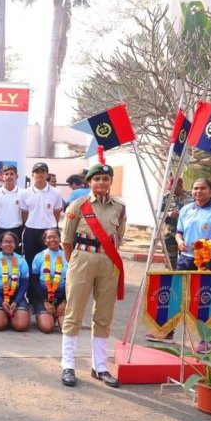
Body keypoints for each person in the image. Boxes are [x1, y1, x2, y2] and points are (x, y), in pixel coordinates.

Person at [61, 157, 126, 387]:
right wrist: (75, 263)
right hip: (82, 259)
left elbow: (119, 237)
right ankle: (68, 365)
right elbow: (66, 240)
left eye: (105, 178)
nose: (101, 182)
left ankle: (100, 366)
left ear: (110, 182)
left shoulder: (119, 207)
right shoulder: (78, 205)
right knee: (74, 313)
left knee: (103, 316)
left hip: (108, 262)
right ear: (90, 182)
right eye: (96, 178)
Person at [155, 178, 211, 352]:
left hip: (209, 260)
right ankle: (167, 331)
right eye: (195, 188)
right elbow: (179, 232)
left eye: (203, 188)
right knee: (177, 294)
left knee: (206, 299)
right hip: (186, 258)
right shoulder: (187, 209)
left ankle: (208, 338)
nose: (198, 192)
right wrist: (180, 241)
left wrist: (209, 245)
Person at [0, 231, 30, 332]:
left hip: (16, 295)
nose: (8, 244)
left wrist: (16, 302)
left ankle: (12, 314)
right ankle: (1, 314)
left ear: (16, 244)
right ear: (0, 244)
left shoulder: (21, 260)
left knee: (21, 326)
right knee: (0, 325)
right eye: (5, 242)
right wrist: (1, 302)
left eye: (11, 242)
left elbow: (24, 284)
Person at [20, 162, 63, 266]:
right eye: (37, 172)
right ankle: (32, 282)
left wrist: (50, 225)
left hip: (49, 230)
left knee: (50, 260)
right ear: (32, 175)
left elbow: (57, 213)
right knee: (30, 259)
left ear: (47, 175)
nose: (40, 174)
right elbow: (24, 214)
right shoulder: (25, 193)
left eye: (43, 172)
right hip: (31, 231)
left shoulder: (56, 192)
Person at [29, 228, 67, 334]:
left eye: (55, 236)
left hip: (61, 297)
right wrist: (45, 302)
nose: (52, 239)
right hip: (43, 297)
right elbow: (34, 282)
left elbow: (72, 282)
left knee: (65, 329)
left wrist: (64, 302)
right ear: (45, 241)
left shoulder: (67, 256)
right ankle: (46, 315)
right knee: (47, 328)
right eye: (49, 237)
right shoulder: (39, 257)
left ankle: (56, 314)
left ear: (60, 239)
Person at [0, 164, 24, 255]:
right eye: (6, 174)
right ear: (2, 177)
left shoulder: (23, 193)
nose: (9, 176)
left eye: (12, 174)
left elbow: (25, 214)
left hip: (16, 230)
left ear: (16, 176)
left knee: (16, 258)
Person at [160, 177, 193, 270]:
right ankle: (172, 278)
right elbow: (157, 213)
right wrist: (168, 214)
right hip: (170, 233)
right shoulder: (166, 197)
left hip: (187, 233)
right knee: (170, 260)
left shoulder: (192, 196)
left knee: (188, 259)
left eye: (174, 188)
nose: (172, 191)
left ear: (180, 186)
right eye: (170, 189)